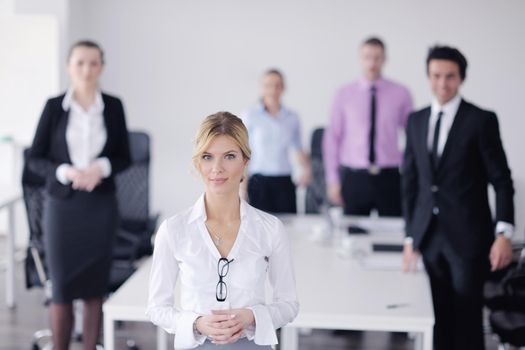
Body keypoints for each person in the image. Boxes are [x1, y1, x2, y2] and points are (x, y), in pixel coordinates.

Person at [146, 112, 299, 349]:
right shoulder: (174, 230)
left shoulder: (269, 229)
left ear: (245, 161)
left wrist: (252, 316)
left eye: (229, 156)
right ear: (198, 162)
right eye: (207, 157)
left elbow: (289, 304)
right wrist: (196, 323)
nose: (217, 168)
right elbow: (157, 308)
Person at [402, 45, 514, 350]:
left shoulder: (481, 120)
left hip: (468, 238)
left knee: (466, 319)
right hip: (428, 236)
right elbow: (410, 182)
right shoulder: (415, 120)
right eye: (436, 76)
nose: (442, 83)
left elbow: (502, 181)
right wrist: (411, 236)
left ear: (461, 78)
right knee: (435, 318)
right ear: (428, 77)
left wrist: (504, 233)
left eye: (450, 77)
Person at [28, 40, 130, 350]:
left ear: (101, 67)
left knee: (94, 288)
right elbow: (35, 158)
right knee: (61, 286)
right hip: (62, 205)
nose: (86, 69)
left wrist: (100, 167)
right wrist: (66, 172)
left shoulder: (113, 106)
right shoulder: (54, 106)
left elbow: (125, 156)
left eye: (93, 63)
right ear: (69, 66)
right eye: (80, 63)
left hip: (100, 206)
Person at [323, 37, 413, 216]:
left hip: (389, 177)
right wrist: (333, 180)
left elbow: (413, 135)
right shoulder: (344, 94)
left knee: (391, 236)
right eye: (367, 57)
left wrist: (409, 171)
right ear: (360, 59)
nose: (372, 62)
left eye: (377, 57)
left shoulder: (401, 93)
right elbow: (333, 138)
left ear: (384, 59)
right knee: (353, 238)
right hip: (355, 178)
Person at [241, 69, 311, 213]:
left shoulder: (292, 117)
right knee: (259, 229)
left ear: (283, 88)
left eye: (277, 85)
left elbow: (297, 147)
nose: (273, 90)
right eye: (268, 85)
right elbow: (243, 151)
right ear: (262, 88)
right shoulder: (250, 115)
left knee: (287, 228)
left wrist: (306, 169)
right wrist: (241, 186)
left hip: (284, 181)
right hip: (259, 182)